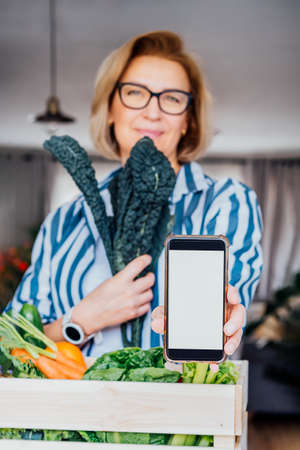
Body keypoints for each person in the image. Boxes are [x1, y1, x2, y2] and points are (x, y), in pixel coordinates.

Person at [5, 31, 263, 361]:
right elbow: (11, 345)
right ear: (110, 109)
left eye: (172, 98)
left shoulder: (225, 202)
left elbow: (230, 296)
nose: (152, 112)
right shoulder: (65, 222)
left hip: (182, 411)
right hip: (76, 412)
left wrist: (226, 314)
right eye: (135, 93)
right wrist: (82, 321)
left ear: (188, 119)